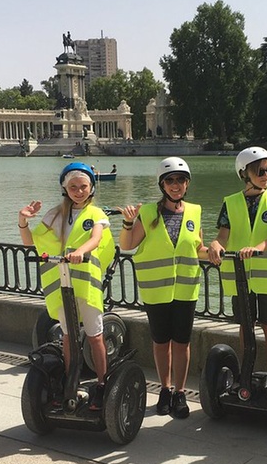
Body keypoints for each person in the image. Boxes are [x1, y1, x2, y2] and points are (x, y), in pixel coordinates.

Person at [18, 162, 115, 411]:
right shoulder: (55, 214)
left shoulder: (97, 214)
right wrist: (22, 221)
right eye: (73, 187)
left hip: (86, 285)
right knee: (69, 337)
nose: (78, 191)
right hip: (63, 285)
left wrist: (80, 251)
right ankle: (71, 383)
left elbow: (97, 238)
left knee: (94, 336)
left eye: (83, 186)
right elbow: (31, 243)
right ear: (65, 188)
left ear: (91, 187)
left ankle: (102, 384)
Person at [117, 157, 208, 419]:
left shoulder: (195, 211)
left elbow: (198, 247)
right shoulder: (148, 212)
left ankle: (180, 392)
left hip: (185, 288)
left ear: (187, 184)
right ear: (162, 184)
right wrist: (127, 222)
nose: (176, 185)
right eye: (170, 180)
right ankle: (165, 389)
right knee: (161, 342)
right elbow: (127, 244)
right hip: (156, 290)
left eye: (180, 180)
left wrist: (213, 249)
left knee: (182, 342)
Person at [208, 147, 267, 372]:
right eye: (261, 171)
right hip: (240, 278)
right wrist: (215, 245)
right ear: (245, 174)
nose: (266, 175)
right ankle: (246, 372)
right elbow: (223, 236)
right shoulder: (230, 203)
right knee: (246, 326)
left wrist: (257, 248)